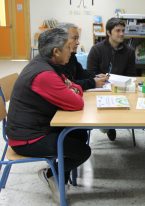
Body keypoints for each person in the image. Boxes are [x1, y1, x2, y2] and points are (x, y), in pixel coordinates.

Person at [6, 28, 91, 204]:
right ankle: (52, 175)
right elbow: (77, 102)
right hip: (27, 139)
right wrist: (72, 89)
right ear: (56, 52)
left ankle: (58, 177)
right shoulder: (45, 74)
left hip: (36, 126)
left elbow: (76, 88)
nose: (72, 49)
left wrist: (72, 88)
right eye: (68, 47)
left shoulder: (46, 63)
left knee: (80, 134)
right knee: (83, 151)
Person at [87, 17, 136, 141]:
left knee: (128, 110)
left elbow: (131, 74)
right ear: (109, 32)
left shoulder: (129, 51)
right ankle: (109, 127)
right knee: (103, 122)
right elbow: (90, 73)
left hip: (121, 88)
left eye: (123, 30)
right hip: (100, 88)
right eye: (118, 30)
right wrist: (100, 78)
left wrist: (117, 81)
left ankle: (112, 124)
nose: (122, 34)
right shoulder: (96, 49)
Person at [56, 23, 108, 90]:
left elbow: (81, 73)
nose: (78, 43)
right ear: (61, 40)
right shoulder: (57, 60)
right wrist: (93, 82)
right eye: (75, 38)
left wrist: (96, 76)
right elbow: (69, 85)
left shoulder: (71, 55)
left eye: (78, 38)